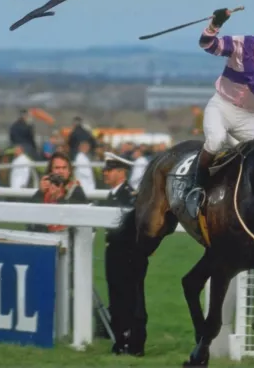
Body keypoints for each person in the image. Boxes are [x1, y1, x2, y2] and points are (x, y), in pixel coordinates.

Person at [185, 8, 254, 218]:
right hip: (221, 106)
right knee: (216, 140)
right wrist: (215, 24)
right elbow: (207, 44)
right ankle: (195, 186)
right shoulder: (241, 44)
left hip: (247, 117)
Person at [100, 152, 146, 356]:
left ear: (121, 172)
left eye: (109, 170)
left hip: (128, 255)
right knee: (116, 298)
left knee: (131, 298)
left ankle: (133, 342)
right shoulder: (112, 195)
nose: (105, 174)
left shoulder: (129, 196)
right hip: (114, 254)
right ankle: (120, 340)